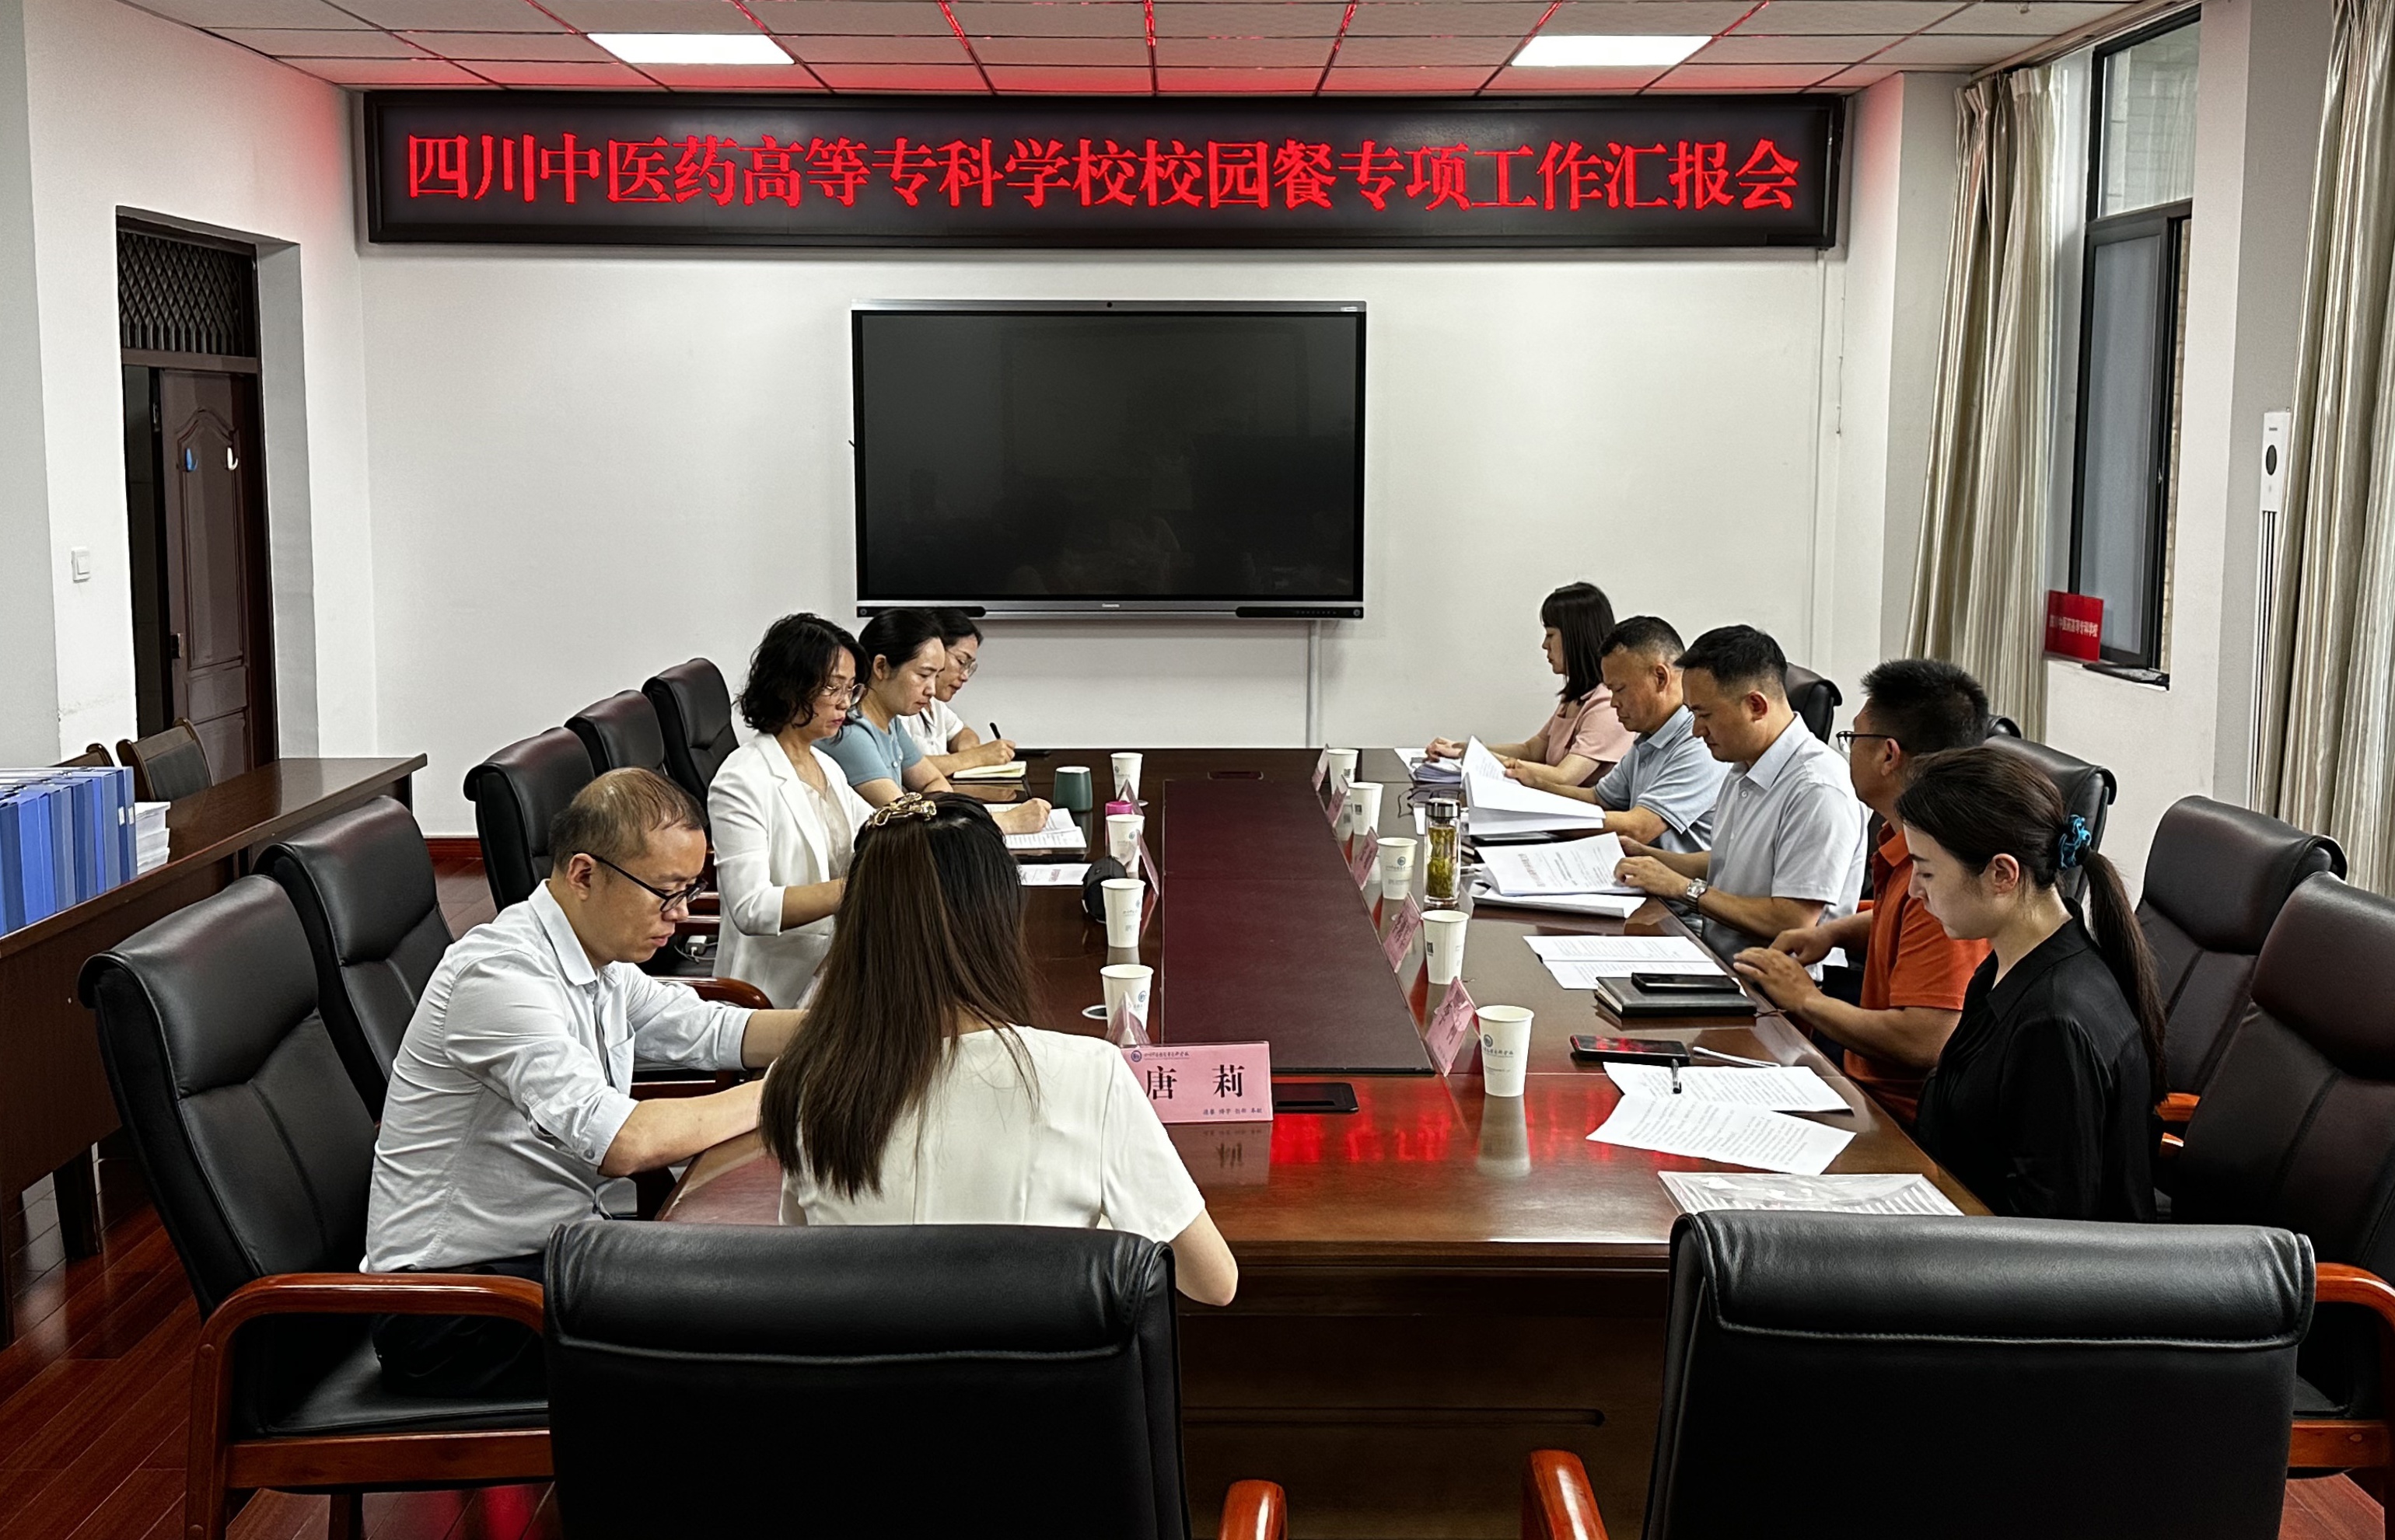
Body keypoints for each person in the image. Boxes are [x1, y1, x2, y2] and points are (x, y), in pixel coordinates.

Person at [366, 769, 806, 1394]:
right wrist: (784, 1092)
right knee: (741, 1323)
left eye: (689, 891)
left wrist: (863, 1029)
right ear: (583, 874)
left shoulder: (598, 956)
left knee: (754, 1291)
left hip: (550, 1260)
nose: (681, 914)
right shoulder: (501, 976)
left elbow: (712, 1029)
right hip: (456, 1306)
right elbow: (624, 1142)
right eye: (666, 893)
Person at [761, 793, 1239, 1306]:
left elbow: (809, 1263)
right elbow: (1213, 1282)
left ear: (855, 927)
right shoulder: (1089, 1077)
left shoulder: (803, 1083)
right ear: (999, 919)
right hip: (1033, 1360)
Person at [1897, 746, 2162, 1220]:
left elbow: (2049, 1236)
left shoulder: (2053, 1025)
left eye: (1928, 871)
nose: (1915, 889)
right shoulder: (2007, 967)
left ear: (2002, 874)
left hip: (2010, 1260)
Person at [1731, 658, 1994, 1123]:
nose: (1845, 750)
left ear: (1889, 755)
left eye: (1853, 738)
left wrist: (1808, 999)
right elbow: (1900, 920)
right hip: (1858, 1085)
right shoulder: (1905, 838)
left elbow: (1925, 1040)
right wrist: (1832, 934)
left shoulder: (1946, 873)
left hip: (1897, 1122)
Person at [1612, 625, 1867, 959]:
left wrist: (1684, 889)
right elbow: (1729, 863)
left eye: (1704, 715)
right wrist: (1647, 857)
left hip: (1777, 980)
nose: (1696, 730)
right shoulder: (1743, 764)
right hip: (1718, 954)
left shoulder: (1816, 789)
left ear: (1756, 706)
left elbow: (1793, 920)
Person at [708, 613, 878, 1008]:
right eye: (832, 687)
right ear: (789, 686)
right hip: (774, 988)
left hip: (837, 964)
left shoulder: (826, 765)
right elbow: (752, 907)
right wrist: (856, 889)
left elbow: (874, 830)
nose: (844, 702)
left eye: (850, 688)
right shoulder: (741, 780)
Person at [823, 608, 1051, 837]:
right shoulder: (850, 732)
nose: (931, 689)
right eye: (923, 675)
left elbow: (932, 781)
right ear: (881, 667)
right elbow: (908, 821)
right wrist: (1005, 823)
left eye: (936, 675)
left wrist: (947, 815)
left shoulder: (891, 723)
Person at [1509, 616, 1725, 854]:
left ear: (1660, 678)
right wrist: (1536, 785)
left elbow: (1638, 828)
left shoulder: (1699, 743)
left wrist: (1535, 817)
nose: (1613, 703)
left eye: (1620, 689)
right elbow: (1598, 799)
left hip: (1670, 876)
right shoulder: (1649, 737)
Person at [1423, 582, 1634, 788]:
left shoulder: (1607, 704)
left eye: (1550, 635)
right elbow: (1531, 750)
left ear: (1576, 638)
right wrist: (1463, 748)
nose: (1544, 645)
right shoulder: (1575, 697)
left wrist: (1473, 755)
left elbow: (1564, 777)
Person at [903, 609, 1016, 776]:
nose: (965, 676)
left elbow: (963, 733)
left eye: (969, 667)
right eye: (961, 662)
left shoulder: (935, 704)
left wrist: (970, 750)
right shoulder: (900, 704)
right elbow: (908, 768)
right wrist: (976, 757)